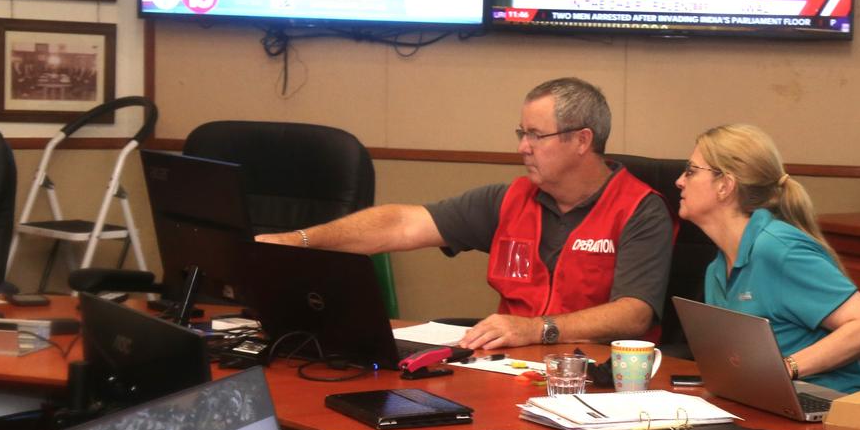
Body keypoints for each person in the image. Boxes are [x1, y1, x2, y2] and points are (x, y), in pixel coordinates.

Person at [256, 78, 676, 351]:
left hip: (600, 380)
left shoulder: (640, 209)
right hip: (511, 370)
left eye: (535, 135)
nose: (522, 147)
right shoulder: (509, 199)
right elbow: (402, 224)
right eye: (521, 133)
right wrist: (296, 242)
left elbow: (634, 313)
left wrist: (537, 329)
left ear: (582, 140)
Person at [675, 124, 860, 393]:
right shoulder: (716, 269)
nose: (680, 181)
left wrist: (784, 369)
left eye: (691, 171)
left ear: (725, 186)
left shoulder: (778, 250)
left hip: (836, 406)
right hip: (769, 401)